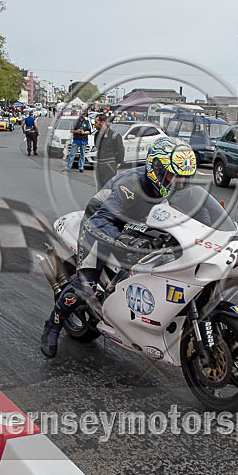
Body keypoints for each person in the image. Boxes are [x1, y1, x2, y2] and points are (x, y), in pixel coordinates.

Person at [41, 137, 198, 357]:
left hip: (137, 224)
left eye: (184, 178)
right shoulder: (131, 184)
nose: (179, 183)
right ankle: (53, 326)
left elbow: (197, 213)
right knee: (85, 284)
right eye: (173, 176)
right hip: (102, 224)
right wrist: (124, 239)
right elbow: (100, 221)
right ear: (156, 168)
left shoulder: (171, 186)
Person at [93, 114, 124, 189]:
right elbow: (97, 147)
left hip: (109, 166)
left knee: (108, 188)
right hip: (99, 165)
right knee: (100, 189)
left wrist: (115, 164)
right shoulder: (97, 135)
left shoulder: (114, 135)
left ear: (102, 122)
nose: (94, 125)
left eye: (96, 122)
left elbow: (120, 151)